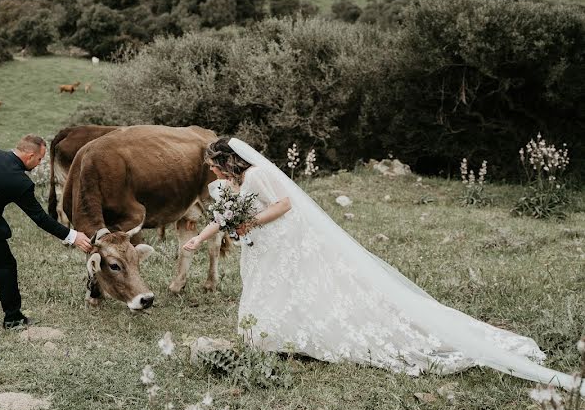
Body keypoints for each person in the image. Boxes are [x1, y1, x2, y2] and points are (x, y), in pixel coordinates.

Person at [184, 137, 583, 393]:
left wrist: (250, 223)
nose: (214, 172)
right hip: (261, 244)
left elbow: (284, 204)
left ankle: (286, 335)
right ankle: (270, 335)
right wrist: (204, 236)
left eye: (216, 165)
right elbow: (227, 215)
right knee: (269, 285)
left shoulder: (256, 174)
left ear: (228, 160)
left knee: (294, 283)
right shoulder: (230, 186)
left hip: (281, 238)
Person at [0, 134, 92, 329]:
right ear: (29, 156)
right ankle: (13, 318)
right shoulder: (20, 182)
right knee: (5, 267)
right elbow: (40, 218)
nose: (39, 164)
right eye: (39, 159)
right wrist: (73, 236)